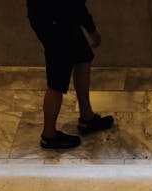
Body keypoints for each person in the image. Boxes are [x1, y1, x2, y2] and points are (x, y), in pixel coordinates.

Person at [27, 0, 114, 150]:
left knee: (83, 58)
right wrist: (91, 29)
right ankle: (48, 135)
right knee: (57, 80)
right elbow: (75, 4)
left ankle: (86, 117)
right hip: (54, 20)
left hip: (55, 15)